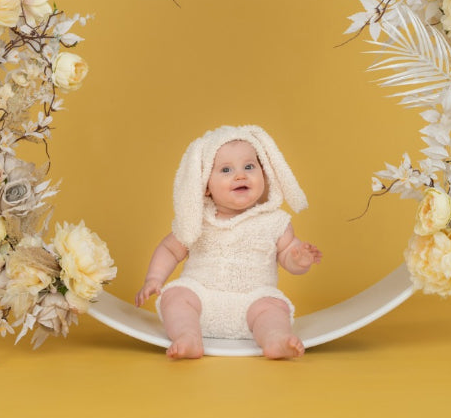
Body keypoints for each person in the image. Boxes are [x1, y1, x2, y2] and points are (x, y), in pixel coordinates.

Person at [135, 125, 322, 359]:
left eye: (249, 166)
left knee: (274, 308)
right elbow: (170, 249)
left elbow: (287, 254)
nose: (240, 175)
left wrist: (299, 258)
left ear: (265, 173)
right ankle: (188, 336)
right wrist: (154, 279)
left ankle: (274, 339)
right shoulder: (197, 221)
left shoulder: (275, 221)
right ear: (205, 186)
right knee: (174, 297)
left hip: (253, 301)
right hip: (200, 300)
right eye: (226, 169)